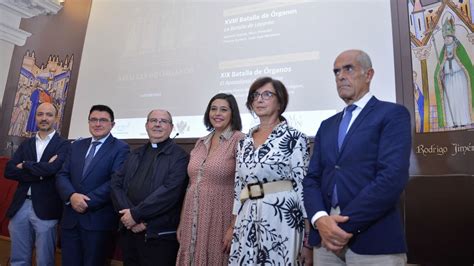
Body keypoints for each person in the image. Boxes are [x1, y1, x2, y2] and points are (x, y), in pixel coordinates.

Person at [303, 49, 411, 265]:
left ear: (369, 74)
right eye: (336, 72)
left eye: (348, 69)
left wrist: (341, 226)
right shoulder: (327, 126)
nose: (340, 76)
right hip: (325, 240)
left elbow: (392, 178)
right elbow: (312, 179)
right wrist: (319, 219)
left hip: (373, 237)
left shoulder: (392, 114)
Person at [229, 77, 312, 265]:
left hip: (282, 218)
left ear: (280, 101)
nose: (259, 99)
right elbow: (239, 188)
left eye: (267, 94)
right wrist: (232, 226)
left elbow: (302, 186)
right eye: (255, 95)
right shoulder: (243, 142)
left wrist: (308, 239)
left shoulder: (295, 138)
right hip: (247, 217)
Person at [111, 109, 189, 266]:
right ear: (146, 126)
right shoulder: (135, 153)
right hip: (129, 233)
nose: (158, 124)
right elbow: (115, 184)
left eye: (163, 121)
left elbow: (169, 193)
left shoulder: (180, 157)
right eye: (154, 120)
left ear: (171, 127)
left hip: (158, 236)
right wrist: (129, 217)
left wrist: (137, 215)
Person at [56, 104, 129, 266]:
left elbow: (115, 181)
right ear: (88, 122)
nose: (98, 124)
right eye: (94, 120)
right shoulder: (76, 146)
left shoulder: (121, 148)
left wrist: (85, 202)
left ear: (112, 124)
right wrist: (71, 196)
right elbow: (62, 174)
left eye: (103, 120)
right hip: (70, 220)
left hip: (98, 221)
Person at [176, 93, 244, 265]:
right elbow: (192, 185)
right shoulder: (200, 142)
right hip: (192, 217)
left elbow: (244, 187)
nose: (217, 113)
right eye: (213, 109)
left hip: (220, 217)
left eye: (223, 109)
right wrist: (182, 222)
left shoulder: (240, 140)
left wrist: (233, 226)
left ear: (232, 113)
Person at [5, 102, 70, 266]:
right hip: (21, 206)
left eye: (49, 115)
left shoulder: (64, 144)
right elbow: (9, 171)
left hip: (47, 209)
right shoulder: (26, 143)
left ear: (56, 118)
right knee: (18, 260)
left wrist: (26, 165)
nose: (44, 118)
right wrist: (42, 172)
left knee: (44, 261)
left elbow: (53, 169)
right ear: (35, 117)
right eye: (40, 114)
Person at [434, 17, 474, 129]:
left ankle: (465, 120)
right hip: (448, 81)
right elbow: (439, 69)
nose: (446, 39)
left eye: (448, 37)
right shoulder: (443, 51)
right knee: (451, 101)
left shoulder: (459, 48)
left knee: (461, 100)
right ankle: (452, 122)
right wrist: (440, 73)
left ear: (453, 37)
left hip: (460, 79)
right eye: (445, 37)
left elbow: (467, 65)